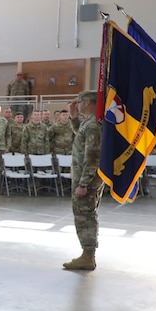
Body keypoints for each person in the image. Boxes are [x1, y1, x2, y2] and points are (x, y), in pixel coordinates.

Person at [63, 90, 103, 271]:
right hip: (85, 177)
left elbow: (93, 157)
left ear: (87, 102)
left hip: (86, 179)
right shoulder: (89, 122)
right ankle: (87, 254)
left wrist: (83, 183)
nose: (76, 105)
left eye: (78, 102)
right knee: (85, 214)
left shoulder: (94, 124)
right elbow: (80, 134)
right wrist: (73, 117)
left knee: (84, 216)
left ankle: (88, 255)